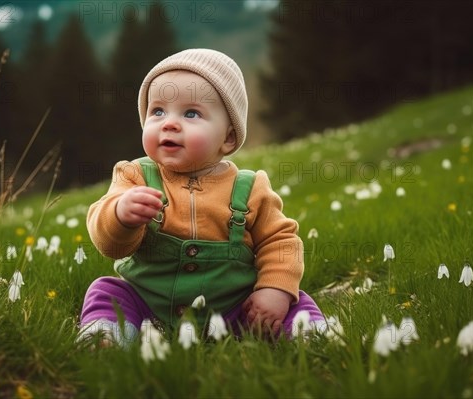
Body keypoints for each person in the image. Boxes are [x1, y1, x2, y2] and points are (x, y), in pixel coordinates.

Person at [79, 48, 324, 346]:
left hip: (233, 312)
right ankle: (108, 338)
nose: (169, 123)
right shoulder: (134, 177)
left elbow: (281, 240)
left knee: (295, 302)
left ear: (229, 137)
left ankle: (311, 338)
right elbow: (110, 246)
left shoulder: (250, 188)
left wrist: (274, 289)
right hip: (151, 306)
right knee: (107, 291)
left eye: (191, 113)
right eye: (157, 111)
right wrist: (120, 216)